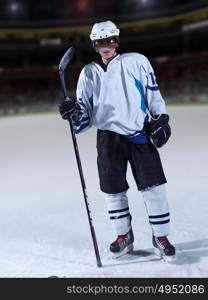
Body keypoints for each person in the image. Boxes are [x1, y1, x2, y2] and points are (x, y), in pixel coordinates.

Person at [59, 20, 175, 261]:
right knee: (113, 191)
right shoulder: (88, 73)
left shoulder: (137, 61)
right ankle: (124, 236)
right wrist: (74, 113)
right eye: (100, 42)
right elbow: (84, 113)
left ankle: (160, 236)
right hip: (108, 139)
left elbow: (153, 92)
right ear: (94, 45)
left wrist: (161, 118)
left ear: (117, 41)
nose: (106, 46)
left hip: (139, 134)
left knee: (154, 188)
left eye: (110, 41)